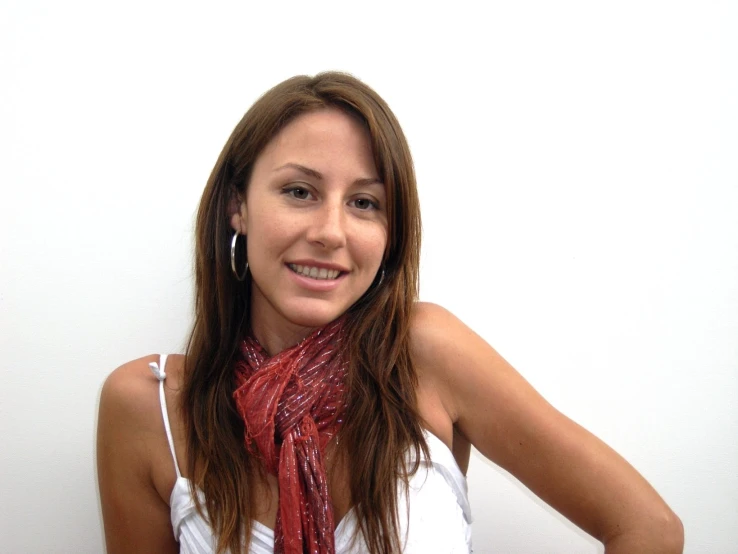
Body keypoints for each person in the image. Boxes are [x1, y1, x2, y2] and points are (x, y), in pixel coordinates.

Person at [96, 72, 684, 554]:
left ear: (389, 230)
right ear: (237, 207)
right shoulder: (147, 409)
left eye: (364, 202)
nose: (330, 232)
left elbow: (648, 529)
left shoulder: (424, 354)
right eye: (299, 191)